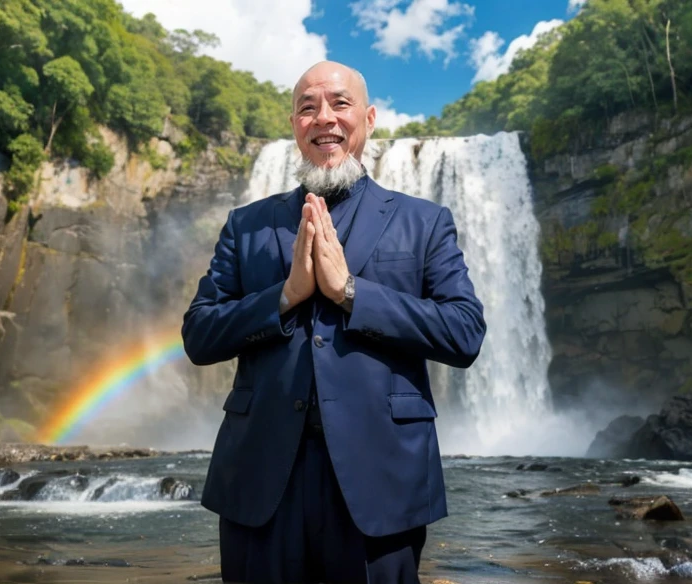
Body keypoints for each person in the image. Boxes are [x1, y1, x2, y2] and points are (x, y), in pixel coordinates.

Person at [182, 60, 486, 584]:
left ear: (368, 118)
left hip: (382, 480)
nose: (324, 118)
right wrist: (284, 297)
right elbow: (199, 334)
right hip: (260, 480)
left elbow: (464, 332)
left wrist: (350, 292)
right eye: (307, 107)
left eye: (339, 104)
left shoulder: (424, 221)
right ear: (294, 125)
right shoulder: (247, 225)